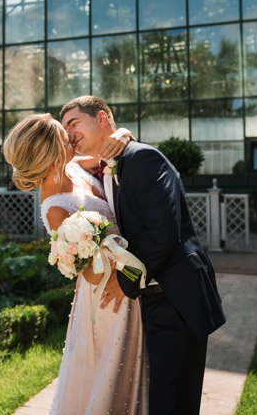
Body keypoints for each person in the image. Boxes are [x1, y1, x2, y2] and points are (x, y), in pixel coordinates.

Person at [60, 96, 226, 415]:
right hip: (153, 300)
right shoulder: (109, 168)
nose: (69, 133)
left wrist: (124, 282)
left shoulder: (142, 158)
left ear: (103, 119)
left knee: (172, 401)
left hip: (176, 297)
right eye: (65, 128)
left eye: (74, 123)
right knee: (161, 396)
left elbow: (163, 234)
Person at [2, 114, 147, 415]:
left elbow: (113, 152)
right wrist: (131, 276)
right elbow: (93, 275)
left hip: (129, 279)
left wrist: (123, 134)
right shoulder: (55, 209)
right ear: (53, 157)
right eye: (65, 137)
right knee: (114, 377)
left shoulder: (75, 167)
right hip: (110, 295)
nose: (72, 136)